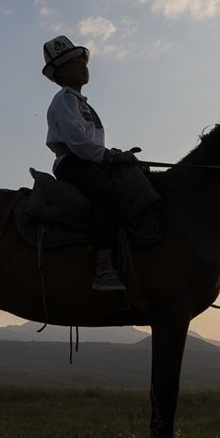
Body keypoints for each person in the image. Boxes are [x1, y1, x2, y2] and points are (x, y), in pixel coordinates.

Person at [42, 35, 138, 292]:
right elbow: (77, 141)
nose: (84, 66)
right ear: (60, 73)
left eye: (83, 61)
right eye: (75, 62)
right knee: (106, 193)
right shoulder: (64, 99)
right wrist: (111, 157)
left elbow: (90, 143)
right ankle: (103, 265)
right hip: (72, 162)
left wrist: (113, 155)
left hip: (88, 160)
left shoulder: (82, 103)